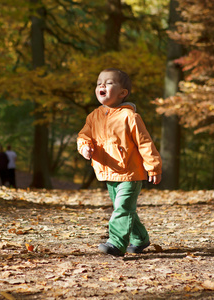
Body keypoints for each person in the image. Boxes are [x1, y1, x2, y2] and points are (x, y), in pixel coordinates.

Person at [77, 68, 162, 257]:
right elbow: (83, 135)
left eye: (108, 83)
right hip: (109, 173)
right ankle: (140, 239)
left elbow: (145, 143)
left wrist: (153, 167)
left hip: (130, 173)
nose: (102, 85)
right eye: (99, 83)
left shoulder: (130, 117)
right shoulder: (93, 117)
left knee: (123, 208)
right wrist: (84, 146)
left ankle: (116, 243)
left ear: (122, 93)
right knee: (125, 209)